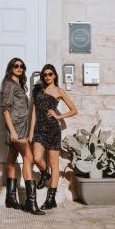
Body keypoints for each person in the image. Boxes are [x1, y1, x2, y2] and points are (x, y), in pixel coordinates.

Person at [29, 64, 77, 210]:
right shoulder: (38, 90)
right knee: (36, 158)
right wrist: (31, 132)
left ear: (55, 75)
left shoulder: (59, 91)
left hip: (53, 129)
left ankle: (51, 199)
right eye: (45, 74)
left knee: (54, 164)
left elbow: (74, 110)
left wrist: (59, 116)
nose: (47, 77)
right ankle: (45, 174)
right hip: (39, 129)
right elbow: (34, 112)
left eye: (50, 74)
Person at [1, 58, 45, 215]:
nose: (19, 68)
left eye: (22, 66)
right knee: (29, 158)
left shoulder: (18, 85)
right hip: (16, 129)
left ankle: (10, 199)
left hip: (22, 127)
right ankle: (31, 203)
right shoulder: (8, 85)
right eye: (16, 66)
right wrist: (12, 131)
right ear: (10, 68)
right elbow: (5, 109)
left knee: (12, 159)